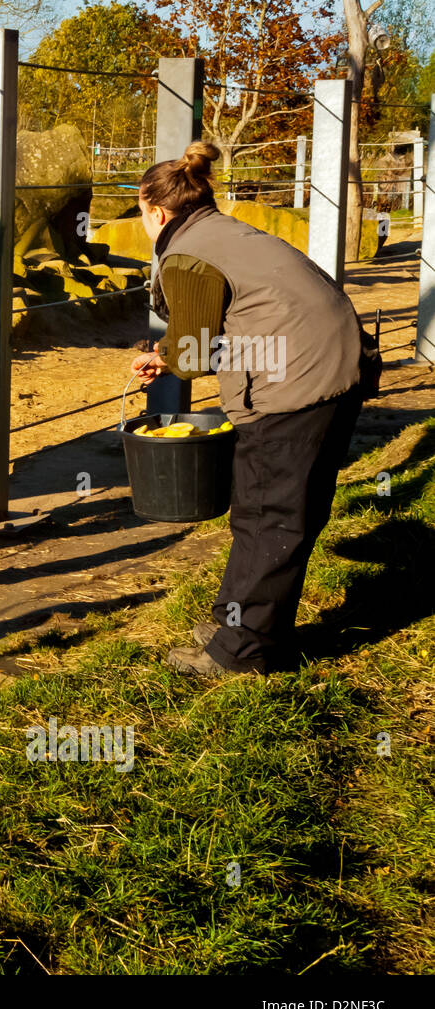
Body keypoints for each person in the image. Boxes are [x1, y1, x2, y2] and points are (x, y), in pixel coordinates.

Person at [130, 141, 377, 676]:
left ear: (155, 211)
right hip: (332, 366)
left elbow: (194, 354)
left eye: (140, 212)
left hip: (295, 383)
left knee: (270, 517)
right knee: (274, 512)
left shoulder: (186, 254)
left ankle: (242, 653)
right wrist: (167, 356)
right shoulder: (224, 232)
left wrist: (172, 356)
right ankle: (240, 623)